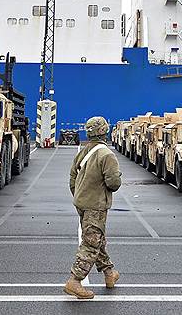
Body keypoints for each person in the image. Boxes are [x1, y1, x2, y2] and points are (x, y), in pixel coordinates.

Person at [64, 116, 122, 299]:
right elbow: (114, 183)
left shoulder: (83, 152)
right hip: (95, 206)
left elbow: (72, 178)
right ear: (105, 131)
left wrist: (80, 197)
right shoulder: (107, 155)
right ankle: (75, 281)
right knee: (91, 243)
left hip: (82, 203)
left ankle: (109, 273)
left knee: (97, 238)